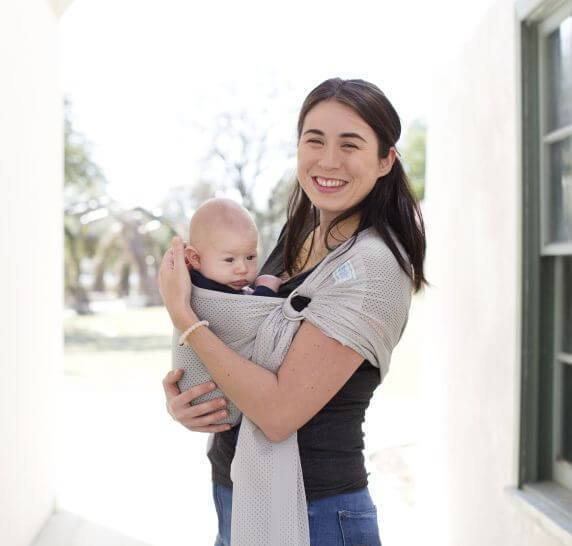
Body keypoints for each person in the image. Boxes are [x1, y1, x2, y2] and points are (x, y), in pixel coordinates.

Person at [158, 77, 428, 546]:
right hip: (237, 489)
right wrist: (192, 401)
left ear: (385, 160)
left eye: (351, 144)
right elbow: (244, 342)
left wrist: (186, 318)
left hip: (316, 513)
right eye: (314, 140)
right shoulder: (297, 234)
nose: (328, 161)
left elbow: (280, 412)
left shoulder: (373, 268)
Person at [182, 196, 283, 297]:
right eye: (229, 260)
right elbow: (248, 312)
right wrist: (265, 290)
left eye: (250, 257)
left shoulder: (214, 283)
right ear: (195, 258)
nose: (243, 269)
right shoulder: (206, 293)